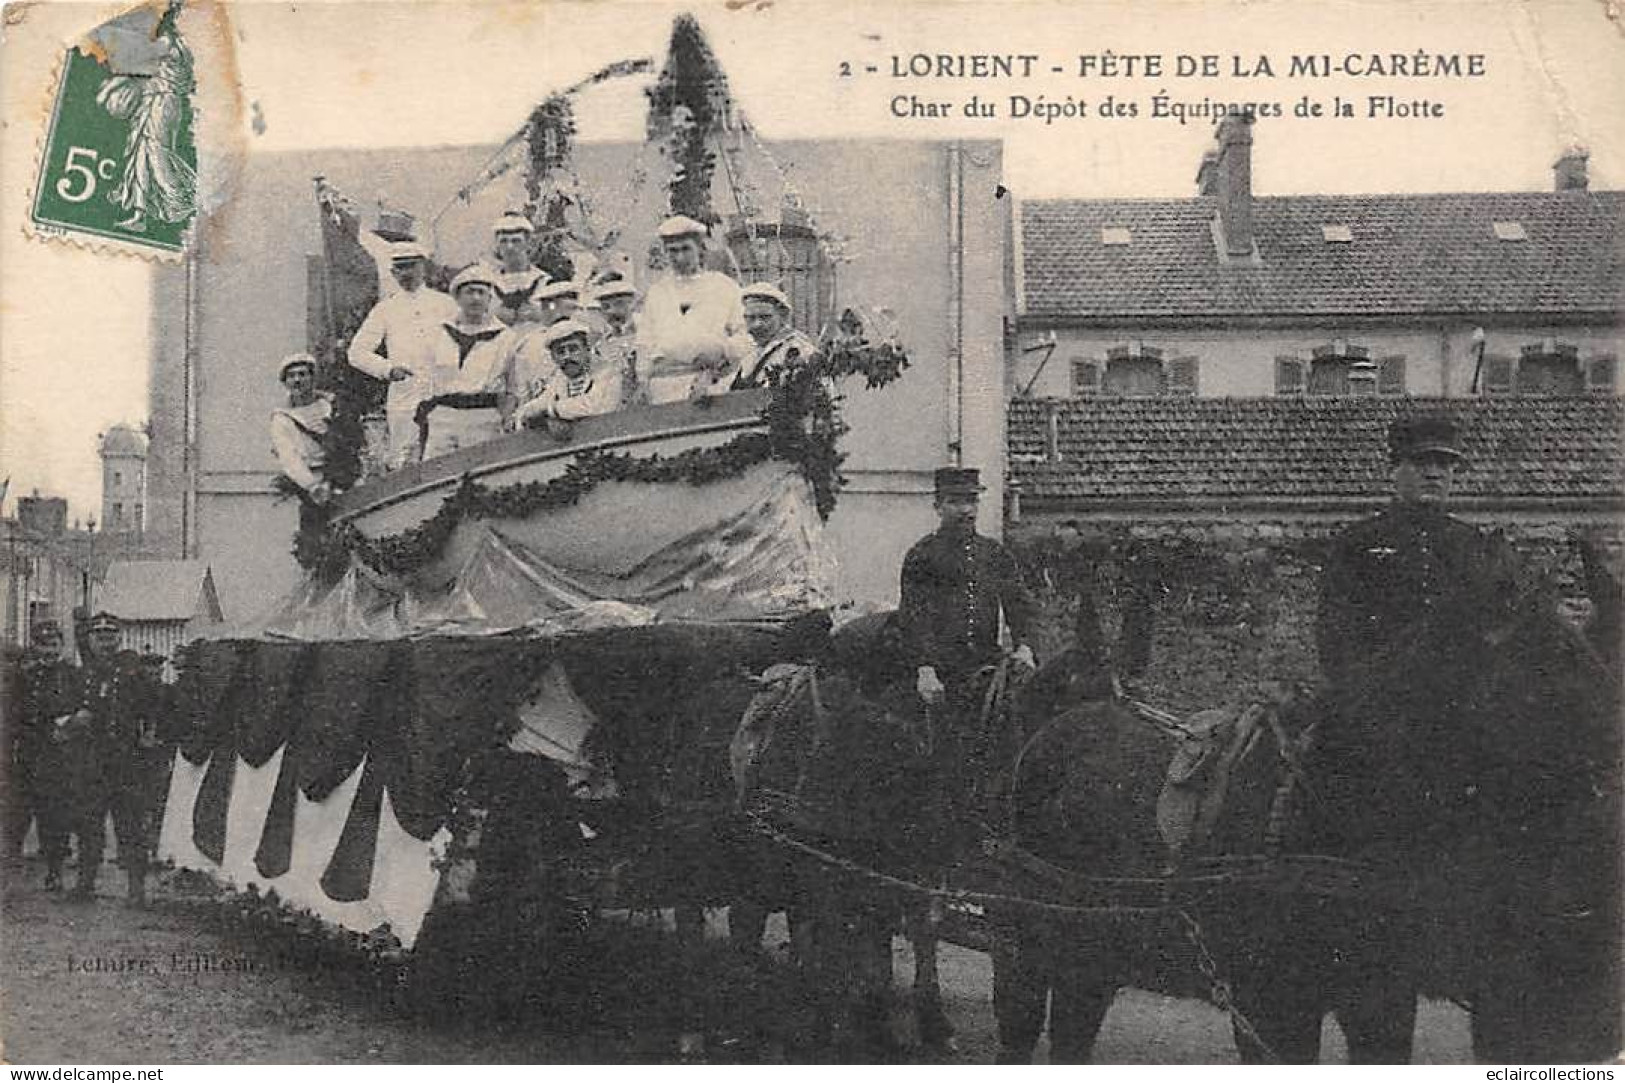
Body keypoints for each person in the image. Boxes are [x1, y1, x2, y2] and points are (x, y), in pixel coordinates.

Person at [56, 613, 166, 906]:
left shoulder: (133, 673)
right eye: (98, 637)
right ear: (89, 641)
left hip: (126, 761)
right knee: (88, 825)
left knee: (129, 826)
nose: (104, 642)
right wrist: (73, 722)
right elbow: (64, 710)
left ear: (118, 639)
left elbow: (153, 708)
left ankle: (136, 889)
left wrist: (149, 734)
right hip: (91, 762)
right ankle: (85, 884)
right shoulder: (80, 676)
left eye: (110, 637)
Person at [347, 241, 458, 469]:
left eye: (411, 266)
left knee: (444, 458)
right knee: (405, 461)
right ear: (393, 272)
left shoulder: (447, 304)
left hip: (443, 393)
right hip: (405, 397)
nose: (406, 273)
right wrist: (387, 369)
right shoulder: (385, 309)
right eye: (400, 268)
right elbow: (356, 352)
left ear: (423, 267)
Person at [636, 216, 753, 404]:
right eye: (672, 251)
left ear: (699, 249)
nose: (680, 257)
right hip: (663, 387)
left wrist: (722, 351)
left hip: (710, 383)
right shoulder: (657, 292)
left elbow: (746, 334)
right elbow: (645, 341)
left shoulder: (723, 286)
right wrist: (643, 381)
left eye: (686, 249)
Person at [418, 264, 517, 459]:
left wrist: (505, 418)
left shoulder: (505, 337)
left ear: (490, 299)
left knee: (479, 477)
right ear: (457, 297)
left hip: (484, 416)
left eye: (481, 293)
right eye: (469, 292)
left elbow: (513, 386)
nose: (475, 298)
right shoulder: (438, 333)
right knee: (437, 474)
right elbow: (423, 376)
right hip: (443, 416)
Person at [13, 621, 75, 890]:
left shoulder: (72, 675)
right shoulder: (25, 676)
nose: (48, 651)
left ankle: (55, 870)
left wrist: (67, 728)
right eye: (42, 645)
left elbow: (82, 709)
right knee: (18, 813)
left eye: (53, 645)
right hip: (28, 752)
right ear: (34, 647)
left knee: (54, 816)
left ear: (61, 645)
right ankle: (9, 870)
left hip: (58, 755)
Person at [513, 320, 621, 428]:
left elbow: (597, 405)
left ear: (587, 349)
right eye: (560, 352)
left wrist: (551, 410)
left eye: (573, 349)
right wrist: (528, 413)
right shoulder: (559, 380)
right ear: (553, 357)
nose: (567, 356)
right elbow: (534, 407)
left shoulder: (607, 372)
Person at [270, 353, 336, 506]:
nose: (297, 380)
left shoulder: (330, 406)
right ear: (285, 382)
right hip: (311, 483)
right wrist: (312, 485)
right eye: (291, 376)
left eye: (302, 374)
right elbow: (289, 457)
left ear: (313, 379)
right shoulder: (281, 418)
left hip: (340, 475)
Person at [731, 283, 818, 390]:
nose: (757, 324)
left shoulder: (798, 350)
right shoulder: (748, 351)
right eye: (750, 318)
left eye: (765, 317)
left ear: (783, 317)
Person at [490, 213, 548, 325]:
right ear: (497, 245)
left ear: (528, 244)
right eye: (503, 241)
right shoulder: (488, 283)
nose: (509, 247)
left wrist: (540, 315)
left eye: (516, 241)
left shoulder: (545, 281)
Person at [592, 279, 642, 406]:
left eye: (619, 304)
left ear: (633, 304)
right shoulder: (600, 346)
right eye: (606, 307)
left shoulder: (648, 333)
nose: (612, 311)